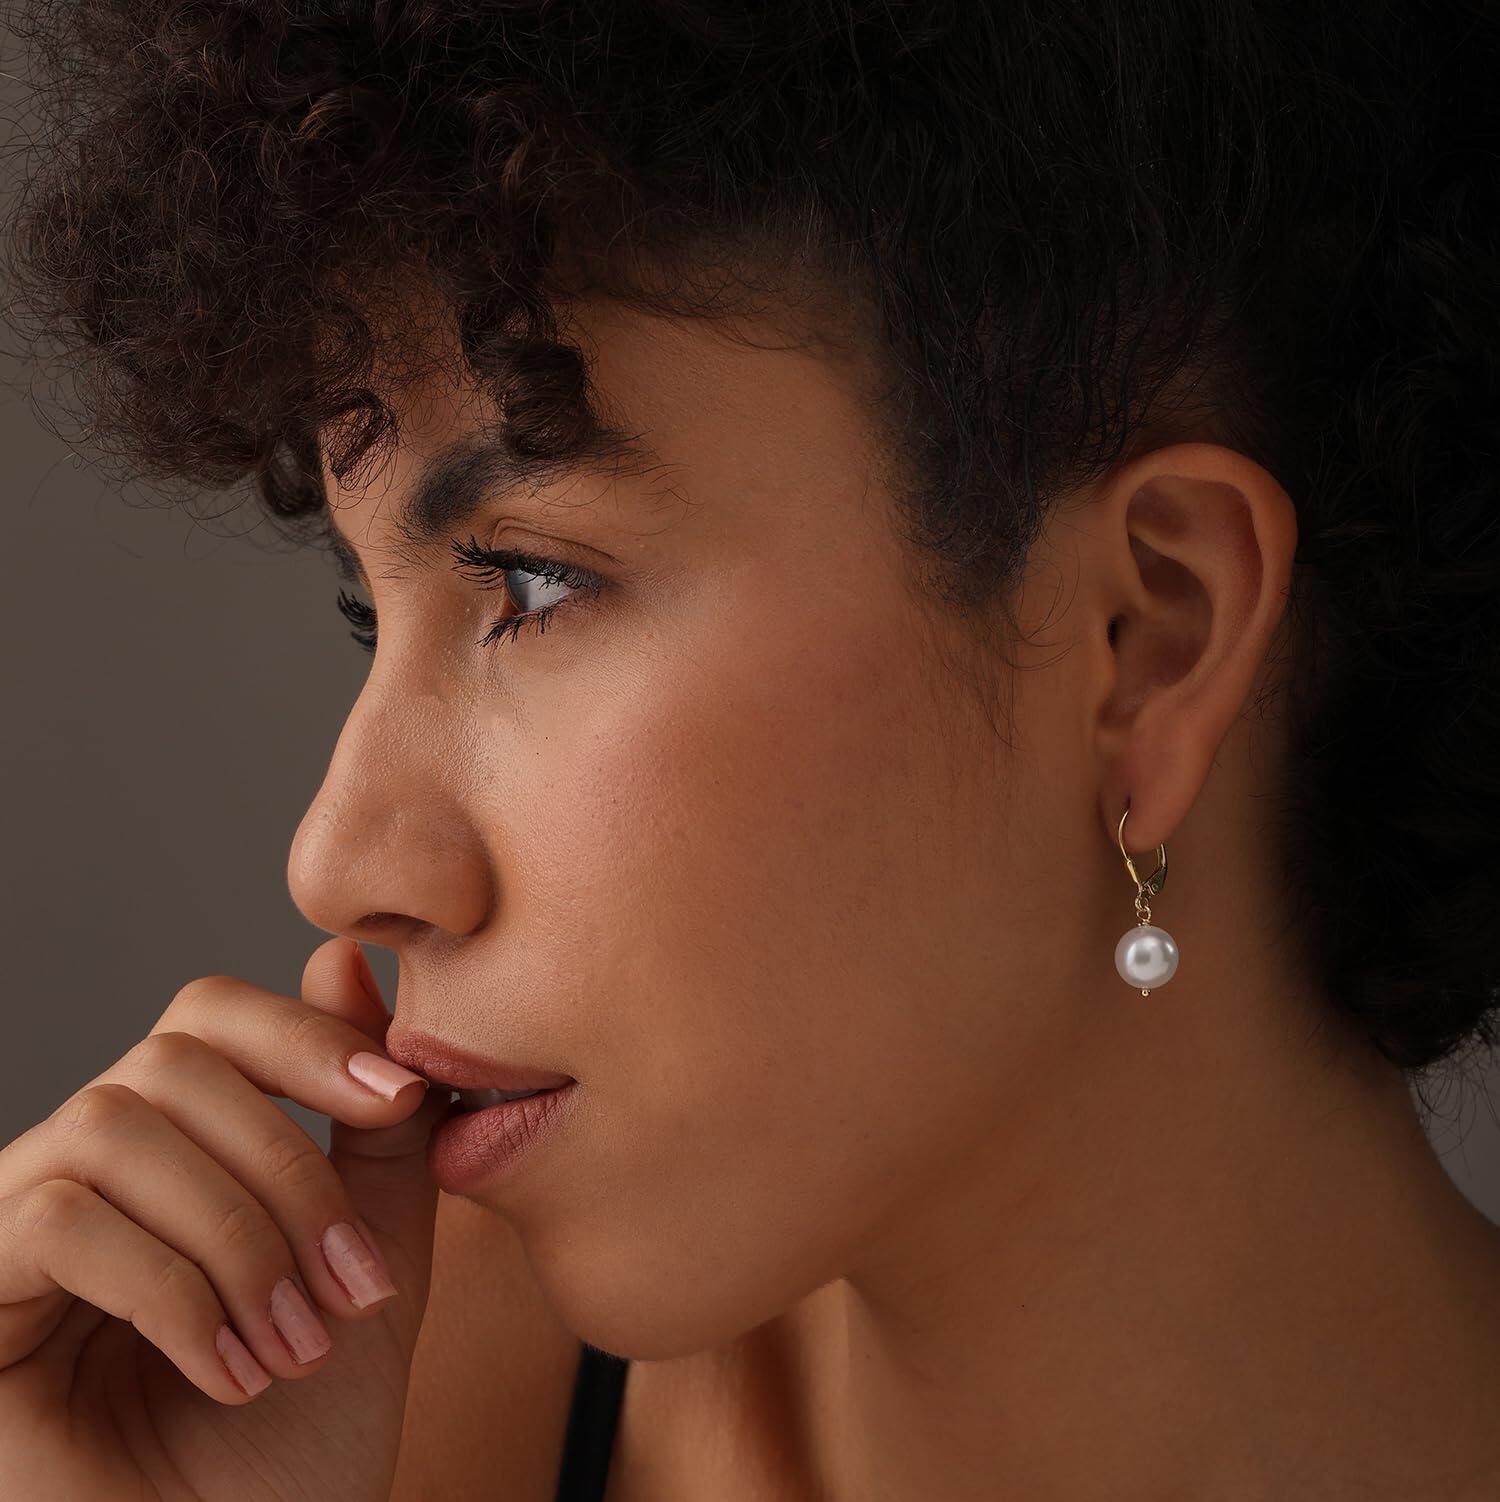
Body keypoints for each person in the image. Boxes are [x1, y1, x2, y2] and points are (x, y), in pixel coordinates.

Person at [2, 2, 1498, 1498]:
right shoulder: (355, 1398)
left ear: (1148, 635)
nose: (337, 861)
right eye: (365, 615)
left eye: (533, 583)